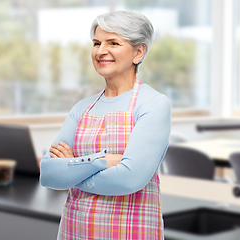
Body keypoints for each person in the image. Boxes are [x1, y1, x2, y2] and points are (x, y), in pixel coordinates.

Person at [40, 10, 171, 240]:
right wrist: (102, 161)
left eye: (113, 43)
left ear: (138, 52)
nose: (101, 51)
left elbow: (129, 179)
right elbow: (49, 174)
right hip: (75, 231)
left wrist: (71, 169)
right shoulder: (82, 108)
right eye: (97, 43)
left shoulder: (153, 104)